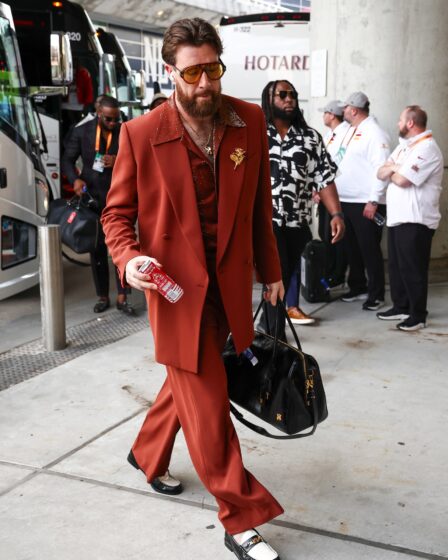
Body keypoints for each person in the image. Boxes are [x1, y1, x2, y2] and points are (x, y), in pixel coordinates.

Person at [101, 18, 285, 560]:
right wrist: (129, 258)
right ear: (170, 71)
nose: (206, 83)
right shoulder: (141, 134)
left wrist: (271, 271)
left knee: (187, 385)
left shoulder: (248, 122)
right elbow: (117, 214)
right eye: (193, 72)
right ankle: (240, 516)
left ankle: (146, 452)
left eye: (214, 69)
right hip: (176, 293)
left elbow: (258, 208)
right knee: (206, 402)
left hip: (228, 290)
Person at [259, 80, 345, 332]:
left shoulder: (310, 138)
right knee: (277, 274)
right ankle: (274, 334)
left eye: (293, 95)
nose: (289, 99)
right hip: (266, 222)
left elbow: (325, 178)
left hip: (298, 223)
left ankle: (269, 332)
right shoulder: (255, 134)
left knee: (282, 278)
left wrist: (337, 213)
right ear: (269, 99)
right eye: (282, 95)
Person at [62, 95, 135, 316]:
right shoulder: (82, 131)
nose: (113, 123)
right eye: (108, 119)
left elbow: (138, 159)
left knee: (122, 246)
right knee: (97, 249)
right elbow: (67, 159)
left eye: (116, 118)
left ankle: (123, 296)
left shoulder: (125, 131)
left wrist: (119, 159)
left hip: (119, 197)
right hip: (91, 198)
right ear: (98, 112)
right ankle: (103, 295)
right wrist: (75, 179)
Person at [376, 105, 444, 331]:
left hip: (417, 219)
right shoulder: (405, 147)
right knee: (397, 267)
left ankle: (418, 315)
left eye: (400, 120)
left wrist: (394, 170)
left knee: (413, 268)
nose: (397, 123)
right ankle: (401, 306)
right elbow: (380, 171)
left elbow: (403, 180)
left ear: (411, 123)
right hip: (398, 217)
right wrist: (397, 168)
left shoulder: (428, 148)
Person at [334, 92, 391, 311]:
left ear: (354, 110)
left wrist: (374, 201)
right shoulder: (353, 130)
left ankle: (376, 294)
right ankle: (358, 286)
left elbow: (382, 169)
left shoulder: (375, 133)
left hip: (366, 202)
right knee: (352, 248)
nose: (343, 111)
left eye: (345, 107)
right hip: (346, 200)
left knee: (370, 250)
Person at [315, 100, 350, 288]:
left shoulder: (345, 134)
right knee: (325, 234)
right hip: (323, 193)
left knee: (335, 236)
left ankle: (338, 275)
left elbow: (337, 165)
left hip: (337, 193)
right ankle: (330, 273)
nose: (323, 116)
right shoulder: (330, 135)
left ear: (331, 115)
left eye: (325, 113)